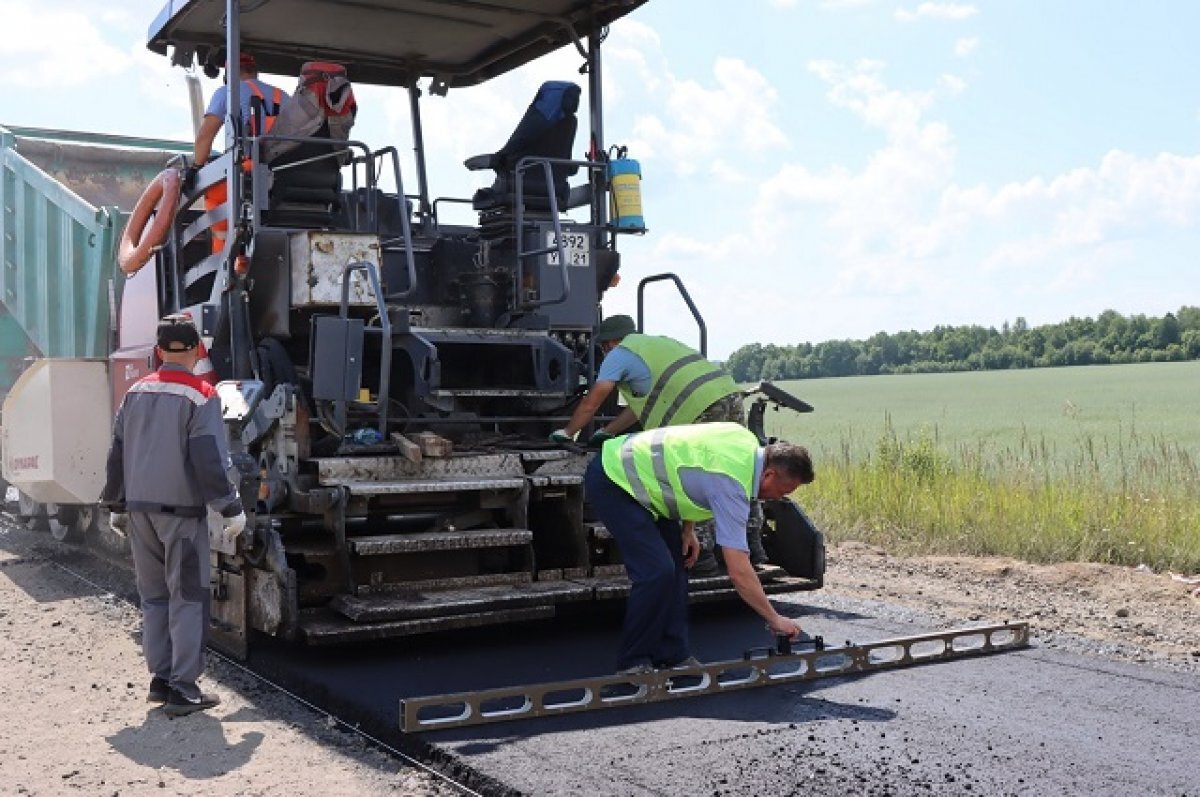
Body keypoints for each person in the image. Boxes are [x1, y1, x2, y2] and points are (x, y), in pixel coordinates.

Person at [100, 314, 246, 717]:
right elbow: (208, 459)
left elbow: (116, 454)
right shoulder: (202, 395)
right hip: (180, 517)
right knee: (187, 598)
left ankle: (160, 680)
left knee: (154, 598)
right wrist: (231, 508)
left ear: (158, 351)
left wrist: (115, 504)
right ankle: (184, 689)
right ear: (198, 351)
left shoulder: (135, 393)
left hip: (140, 514)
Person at [583, 422, 813, 674]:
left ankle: (673, 655)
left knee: (678, 565)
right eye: (783, 491)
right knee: (656, 572)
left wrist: (688, 528)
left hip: (646, 482)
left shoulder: (743, 441)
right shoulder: (732, 483)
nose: (779, 498)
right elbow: (739, 570)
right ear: (769, 474)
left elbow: (691, 470)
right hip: (614, 478)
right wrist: (774, 618)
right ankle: (634, 661)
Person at [552, 314, 764, 571]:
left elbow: (592, 400)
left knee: (707, 473)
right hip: (728, 393)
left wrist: (567, 432)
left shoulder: (619, 355)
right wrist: (606, 431)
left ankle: (703, 555)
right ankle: (753, 547)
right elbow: (639, 409)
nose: (604, 352)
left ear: (610, 344)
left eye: (603, 347)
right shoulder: (655, 346)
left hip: (700, 407)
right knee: (743, 469)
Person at [193, 52, 288, 253]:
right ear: (255, 72)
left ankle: (223, 257)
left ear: (228, 74)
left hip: (249, 169)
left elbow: (205, 136)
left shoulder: (228, 92)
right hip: (285, 170)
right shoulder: (283, 96)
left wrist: (196, 167)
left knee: (212, 191)